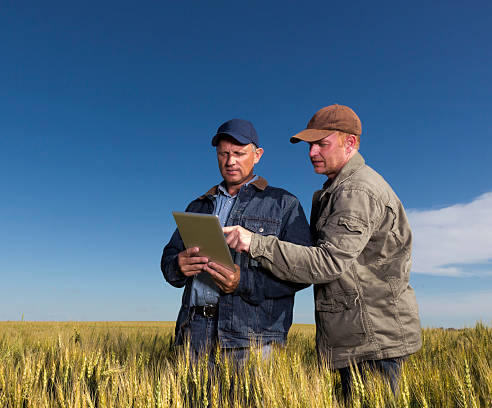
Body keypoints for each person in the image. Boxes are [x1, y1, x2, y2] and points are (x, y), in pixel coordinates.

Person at [223, 105, 422, 397]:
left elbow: (328, 263)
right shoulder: (339, 189)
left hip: (373, 342)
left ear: (350, 143)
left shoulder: (357, 191)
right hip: (360, 337)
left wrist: (255, 242)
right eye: (309, 145)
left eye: (321, 144)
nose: (312, 152)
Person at [161, 118, 311, 362]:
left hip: (251, 337)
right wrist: (178, 265)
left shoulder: (284, 204)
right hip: (194, 332)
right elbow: (169, 258)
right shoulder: (198, 206)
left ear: (257, 155)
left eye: (239, 153)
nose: (230, 161)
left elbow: (303, 272)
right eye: (223, 154)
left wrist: (244, 281)